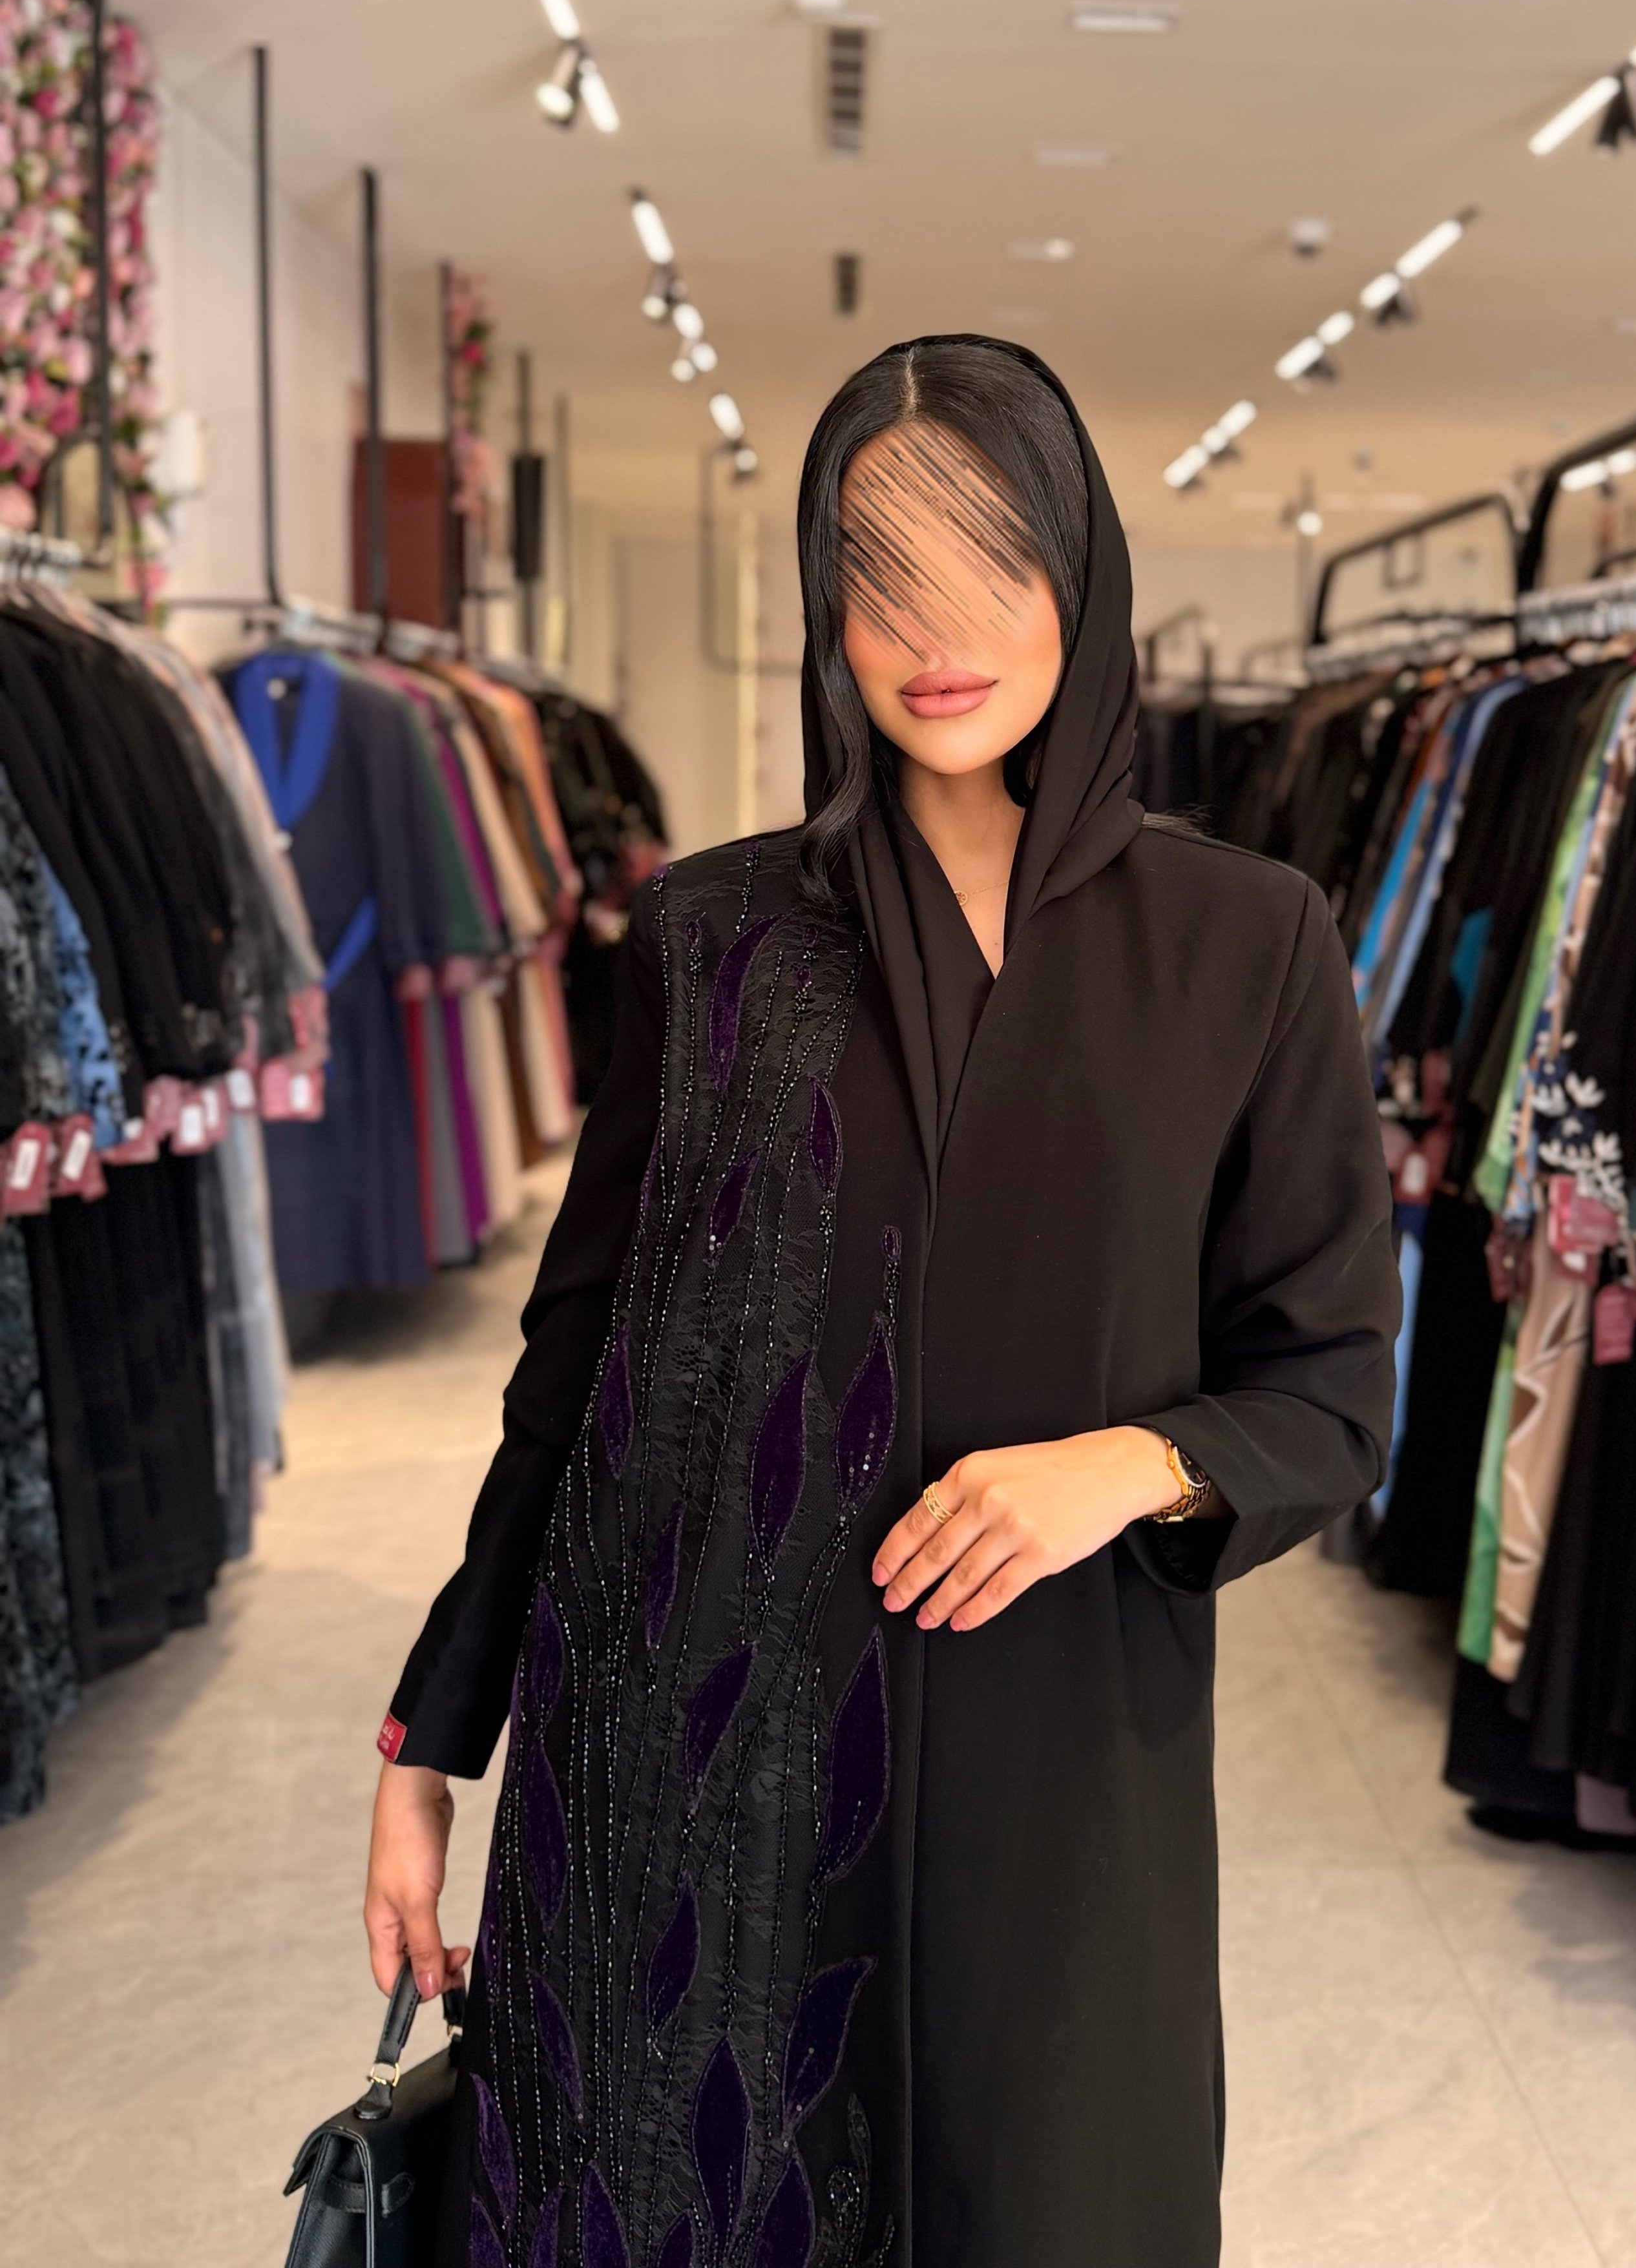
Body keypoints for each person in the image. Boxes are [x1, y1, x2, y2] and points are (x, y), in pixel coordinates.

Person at [364, 336, 1399, 2268]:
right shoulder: (713, 934)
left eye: (991, 561)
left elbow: (1333, 1388)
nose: (938, 632)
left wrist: (1133, 1463)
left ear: (1078, 573)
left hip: (1061, 1779)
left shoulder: (1244, 943)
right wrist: (437, 1737)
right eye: (879, 573)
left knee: (1057, 2203)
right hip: (696, 1779)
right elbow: (573, 1370)